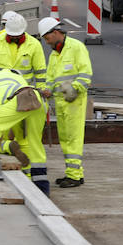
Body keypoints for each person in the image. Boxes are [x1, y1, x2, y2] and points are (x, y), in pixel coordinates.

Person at [38, 16, 92, 188]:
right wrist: (48, 90)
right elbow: (51, 78)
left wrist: (73, 88)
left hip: (74, 101)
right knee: (65, 138)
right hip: (60, 102)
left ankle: (74, 176)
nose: (47, 42)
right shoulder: (55, 54)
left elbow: (85, 74)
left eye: (47, 38)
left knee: (73, 138)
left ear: (55, 32)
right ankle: (74, 173)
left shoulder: (76, 47)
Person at [0, 12, 46, 88]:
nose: (14, 38)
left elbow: (40, 71)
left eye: (17, 36)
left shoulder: (34, 44)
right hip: (1, 87)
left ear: (23, 32)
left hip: (23, 88)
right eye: (12, 35)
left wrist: (41, 89)